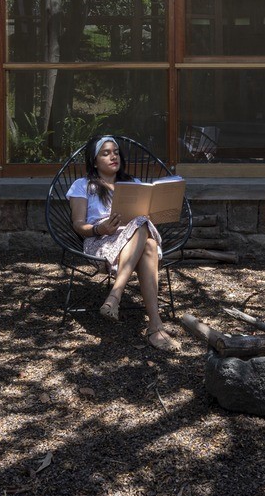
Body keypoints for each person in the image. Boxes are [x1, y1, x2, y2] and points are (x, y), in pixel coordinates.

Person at [66, 135, 180, 352]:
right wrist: (100, 228)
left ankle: (115, 296)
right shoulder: (83, 185)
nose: (113, 156)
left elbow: (146, 218)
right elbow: (78, 225)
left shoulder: (133, 184)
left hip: (135, 238)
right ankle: (155, 327)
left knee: (143, 231)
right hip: (100, 242)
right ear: (94, 160)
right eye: (105, 153)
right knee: (147, 242)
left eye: (116, 152)